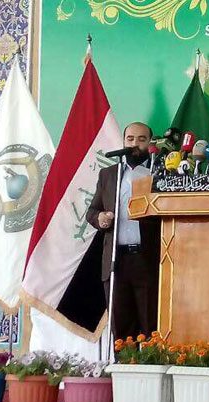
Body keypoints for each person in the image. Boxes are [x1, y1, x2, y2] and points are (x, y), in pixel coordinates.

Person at [87, 122, 160, 340]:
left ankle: (151, 362)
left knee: (151, 324)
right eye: (130, 139)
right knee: (121, 327)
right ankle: (124, 361)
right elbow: (92, 211)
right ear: (123, 142)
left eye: (141, 139)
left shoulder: (158, 172)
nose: (135, 144)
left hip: (148, 259)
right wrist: (100, 218)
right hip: (116, 260)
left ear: (150, 143)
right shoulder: (109, 174)